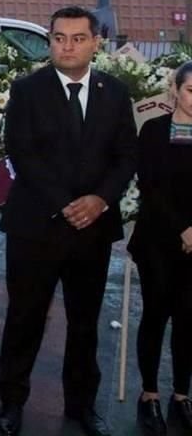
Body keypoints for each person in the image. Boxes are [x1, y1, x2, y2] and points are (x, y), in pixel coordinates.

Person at [0, 6, 137, 436]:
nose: (67, 45)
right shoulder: (27, 89)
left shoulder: (115, 91)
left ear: (96, 42)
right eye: (59, 37)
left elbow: (126, 156)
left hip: (92, 230)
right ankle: (12, 404)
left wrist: (98, 200)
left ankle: (80, 406)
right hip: (35, 226)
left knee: (84, 324)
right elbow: (21, 152)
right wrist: (66, 204)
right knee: (24, 319)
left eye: (78, 38)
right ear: (50, 41)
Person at [128, 60, 192, 436]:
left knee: (189, 318)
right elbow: (150, 187)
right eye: (190, 90)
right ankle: (149, 394)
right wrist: (183, 228)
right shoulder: (154, 130)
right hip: (157, 238)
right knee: (156, 313)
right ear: (176, 91)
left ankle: (182, 394)